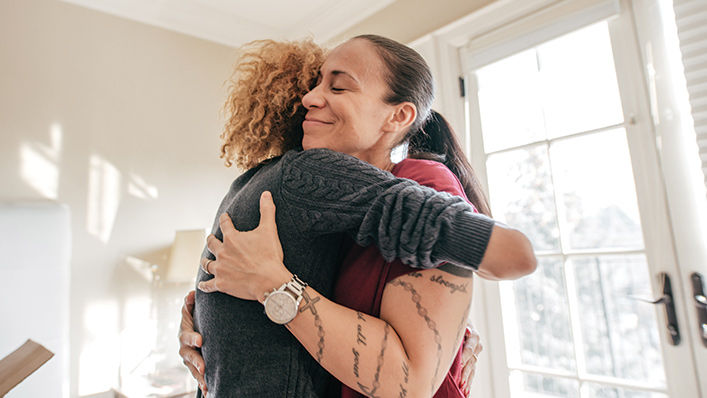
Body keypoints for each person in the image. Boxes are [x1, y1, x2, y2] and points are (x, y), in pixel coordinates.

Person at [180, 36, 536, 397]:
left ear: (399, 115)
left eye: (339, 86)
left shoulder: (420, 182)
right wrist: (208, 325)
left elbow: (508, 255)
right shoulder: (317, 203)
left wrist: (273, 284)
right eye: (314, 84)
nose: (309, 98)